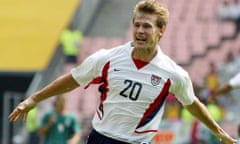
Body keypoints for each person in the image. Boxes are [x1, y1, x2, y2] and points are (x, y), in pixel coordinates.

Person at [8, 0, 236, 144]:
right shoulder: (107, 58)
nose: (140, 30)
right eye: (136, 25)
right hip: (100, 139)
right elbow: (73, 79)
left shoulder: (173, 73)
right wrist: (34, 99)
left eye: (147, 26)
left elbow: (191, 103)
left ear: (161, 31)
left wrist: (218, 131)